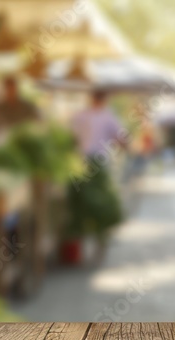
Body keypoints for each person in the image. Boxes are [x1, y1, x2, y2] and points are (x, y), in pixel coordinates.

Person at [69, 89, 125, 261]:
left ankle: (86, 241)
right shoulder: (108, 116)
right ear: (104, 99)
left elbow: (70, 136)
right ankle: (99, 240)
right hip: (99, 164)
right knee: (100, 204)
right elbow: (121, 138)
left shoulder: (81, 115)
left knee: (81, 203)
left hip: (82, 164)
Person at [0, 76, 40, 141]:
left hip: (26, 141)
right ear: (3, 90)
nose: (10, 92)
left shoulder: (27, 107)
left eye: (12, 88)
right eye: (7, 88)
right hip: (3, 145)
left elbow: (38, 123)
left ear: (16, 89)